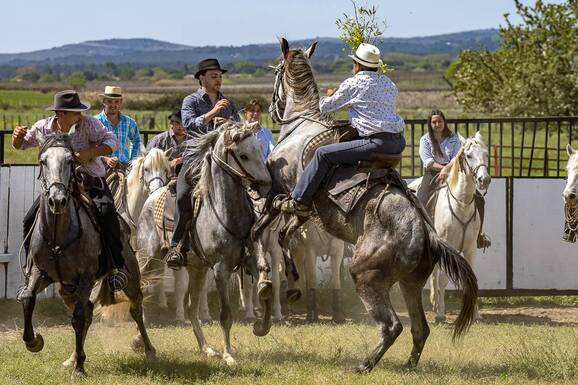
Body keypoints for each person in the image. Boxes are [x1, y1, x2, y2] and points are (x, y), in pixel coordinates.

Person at [276, 43, 406, 216]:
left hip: (376, 143)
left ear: (357, 65)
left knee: (323, 154)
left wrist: (330, 95)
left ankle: (299, 201)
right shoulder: (388, 83)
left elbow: (324, 107)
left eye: (354, 63)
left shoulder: (354, 83)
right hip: (398, 142)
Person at [12, 90, 126, 284]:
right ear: (61, 114)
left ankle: (116, 267)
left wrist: (92, 152)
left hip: (90, 182)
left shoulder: (89, 124)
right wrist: (17, 137)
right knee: (29, 220)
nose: (80, 115)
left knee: (108, 213)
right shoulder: (43, 128)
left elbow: (112, 141)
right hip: (57, 187)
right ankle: (31, 267)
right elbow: (20, 146)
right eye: (75, 112)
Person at [165, 58, 240, 269]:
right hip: (196, 159)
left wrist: (229, 125)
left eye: (220, 76)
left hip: (224, 160)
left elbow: (239, 129)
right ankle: (177, 246)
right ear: (201, 78)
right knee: (183, 194)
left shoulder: (229, 103)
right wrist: (213, 113)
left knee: (249, 188)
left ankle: (248, 239)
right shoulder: (191, 101)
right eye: (214, 76)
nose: (218, 80)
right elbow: (188, 124)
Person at [417, 109, 491, 249]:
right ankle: (422, 234)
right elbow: (428, 162)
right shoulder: (425, 140)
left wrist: (447, 169)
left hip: (453, 172)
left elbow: (457, 157)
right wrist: (442, 169)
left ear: (444, 122)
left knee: (479, 199)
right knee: (421, 198)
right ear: (430, 124)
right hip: (432, 173)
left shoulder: (453, 139)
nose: (437, 124)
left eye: (440, 121)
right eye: (434, 122)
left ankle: (478, 236)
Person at [95, 86, 141, 169]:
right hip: (101, 167)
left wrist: (133, 160)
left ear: (120, 102)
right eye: (109, 101)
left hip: (124, 167)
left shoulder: (129, 122)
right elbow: (89, 147)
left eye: (116, 101)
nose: (113, 105)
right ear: (104, 102)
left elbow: (136, 141)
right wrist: (105, 159)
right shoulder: (95, 122)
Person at [146, 109, 187, 174]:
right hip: (163, 180)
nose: (181, 126)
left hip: (187, 180)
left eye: (184, 123)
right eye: (178, 123)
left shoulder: (192, 140)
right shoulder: (159, 140)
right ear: (171, 123)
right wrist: (169, 164)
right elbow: (147, 160)